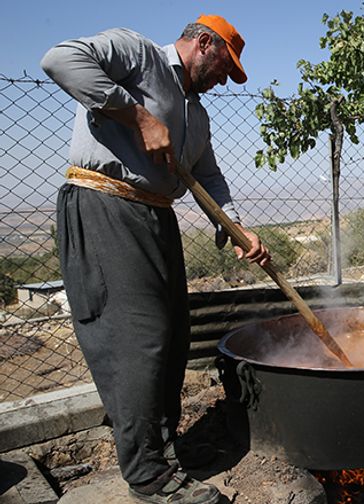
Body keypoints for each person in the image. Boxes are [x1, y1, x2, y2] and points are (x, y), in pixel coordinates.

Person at [41, 15, 270, 504]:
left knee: (172, 337)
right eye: (224, 68)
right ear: (203, 43)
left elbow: (210, 178)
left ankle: (165, 455)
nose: (223, 81)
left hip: (156, 217)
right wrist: (139, 117)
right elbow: (59, 60)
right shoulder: (137, 53)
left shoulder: (197, 114)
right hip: (106, 205)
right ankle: (148, 476)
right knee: (137, 340)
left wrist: (235, 227)